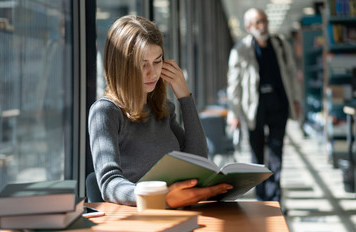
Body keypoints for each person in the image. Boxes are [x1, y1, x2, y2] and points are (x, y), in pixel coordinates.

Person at [88, 15, 233, 208]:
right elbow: (109, 184)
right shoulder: (105, 112)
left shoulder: (162, 109)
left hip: (176, 212)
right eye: (143, 63)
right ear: (122, 66)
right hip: (140, 220)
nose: (153, 73)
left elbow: (198, 161)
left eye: (157, 61)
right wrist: (159, 197)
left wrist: (185, 97)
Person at [227, 8, 301, 202]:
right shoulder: (240, 50)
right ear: (249, 27)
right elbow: (234, 85)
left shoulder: (280, 45)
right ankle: (261, 198)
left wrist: (296, 100)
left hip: (279, 105)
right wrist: (234, 113)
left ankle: (274, 198)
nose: (263, 26)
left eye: (265, 21)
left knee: (276, 152)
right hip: (255, 109)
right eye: (258, 22)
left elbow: (291, 75)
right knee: (256, 155)